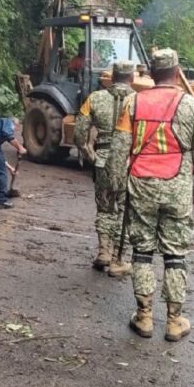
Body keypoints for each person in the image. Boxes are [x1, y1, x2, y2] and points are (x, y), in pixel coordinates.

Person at [107, 49, 194, 342]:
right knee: (175, 254)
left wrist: (116, 186)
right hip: (177, 188)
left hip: (141, 185)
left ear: (151, 74)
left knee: (142, 251)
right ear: (178, 72)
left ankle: (143, 317)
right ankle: (174, 320)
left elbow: (119, 149)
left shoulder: (132, 102)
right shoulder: (193, 106)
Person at [74, 60, 135, 276]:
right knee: (124, 210)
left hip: (103, 160)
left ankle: (103, 252)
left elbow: (80, 132)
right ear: (132, 77)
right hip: (130, 163)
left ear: (112, 77)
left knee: (105, 207)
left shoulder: (95, 98)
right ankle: (119, 258)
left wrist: (90, 154)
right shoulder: (139, 100)